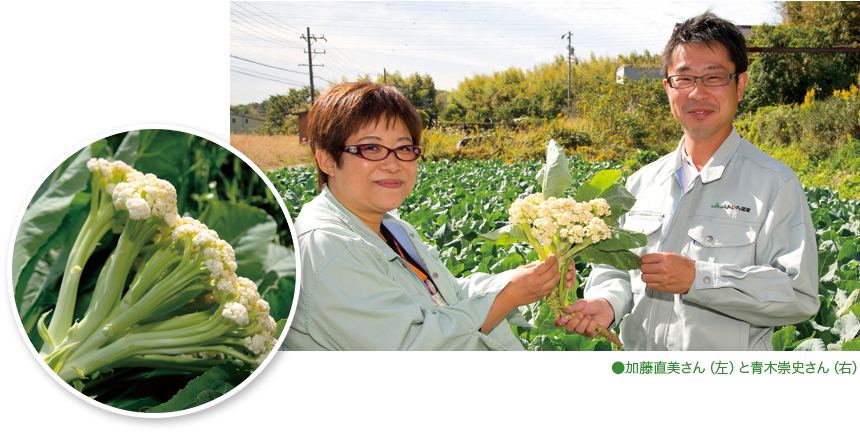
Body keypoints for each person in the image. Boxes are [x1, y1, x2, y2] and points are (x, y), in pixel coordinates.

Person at [555, 11, 819, 350]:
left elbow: (797, 295)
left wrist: (701, 279)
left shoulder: (775, 184)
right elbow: (615, 270)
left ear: (740, 85)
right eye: (684, 79)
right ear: (668, 88)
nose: (697, 93)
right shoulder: (638, 185)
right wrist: (607, 303)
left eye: (714, 77)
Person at [283, 82, 574, 350]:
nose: (393, 164)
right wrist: (507, 297)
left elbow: (447, 296)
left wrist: (523, 280)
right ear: (327, 161)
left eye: (404, 148)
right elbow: (410, 349)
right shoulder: (327, 247)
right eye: (371, 148)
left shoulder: (390, 227)